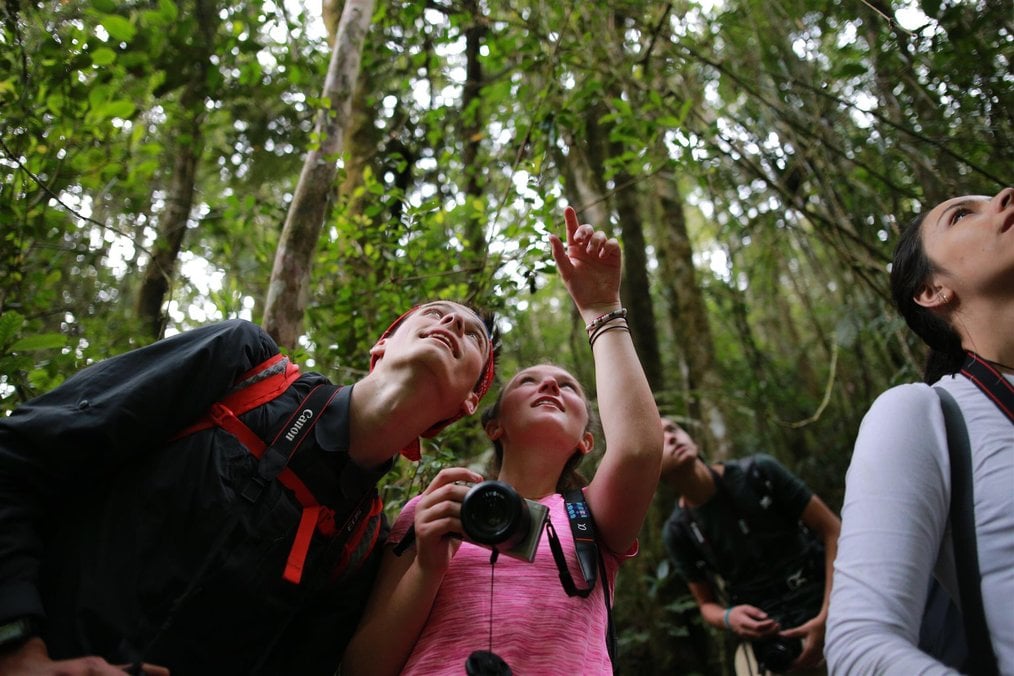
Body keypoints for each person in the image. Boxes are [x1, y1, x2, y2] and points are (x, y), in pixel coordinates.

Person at [0, 300, 498, 674]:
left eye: (473, 335)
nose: (451, 323)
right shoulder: (244, 367)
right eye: (435, 312)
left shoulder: (361, 544)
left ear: (468, 402)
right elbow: (22, 454)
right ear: (381, 346)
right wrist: (19, 649)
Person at [341, 206, 662, 675]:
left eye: (568, 387)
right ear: (494, 424)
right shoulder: (429, 511)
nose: (550, 386)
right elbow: (363, 668)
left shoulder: (590, 516)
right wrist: (429, 565)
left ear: (585, 442)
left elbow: (638, 449)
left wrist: (601, 310)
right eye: (528, 382)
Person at [826, 187, 1013, 674]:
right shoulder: (922, 414)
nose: (1006, 197)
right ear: (932, 291)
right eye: (961, 215)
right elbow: (859, 647)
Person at [660, 418, 840, 675]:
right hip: (773, 638)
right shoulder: (679, 531)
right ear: (648, 468)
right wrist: (728, 618)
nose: (671, 438)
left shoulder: (759, 473)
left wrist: (825, 618)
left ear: (695, 441)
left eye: (672, 430)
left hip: (828, 606)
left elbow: (833, 530)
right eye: (658, 440)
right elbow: (706, 604)